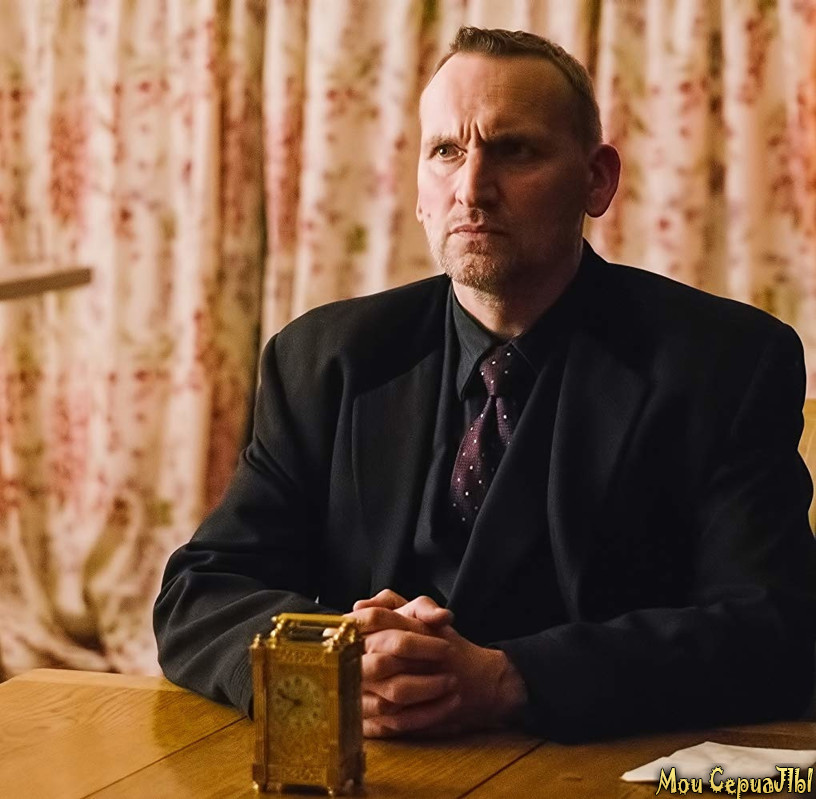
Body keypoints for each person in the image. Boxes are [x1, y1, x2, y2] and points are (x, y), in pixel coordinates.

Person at [153, 26, 816, 743]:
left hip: (597, 767)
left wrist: (510, 677)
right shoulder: (322, 358)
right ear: (418, 190)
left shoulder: (725, 363)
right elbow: (201, 593)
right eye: (446, 151)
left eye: (515, 150)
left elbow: (776, 630)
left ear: (597, 180)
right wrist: (334, 660)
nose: (471, 188)